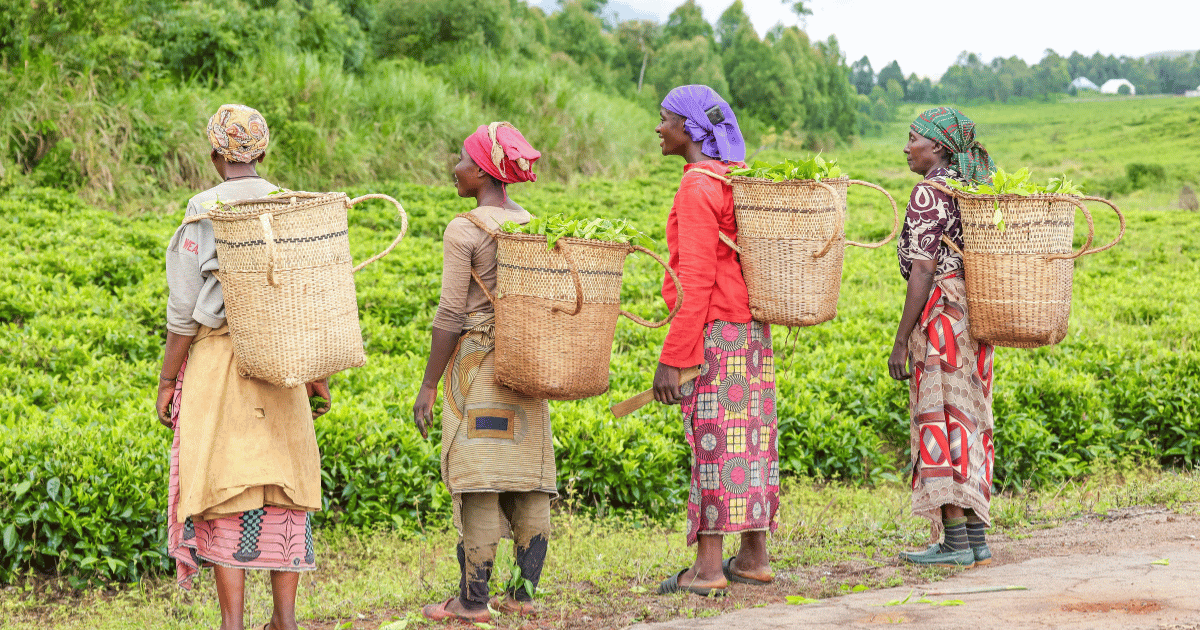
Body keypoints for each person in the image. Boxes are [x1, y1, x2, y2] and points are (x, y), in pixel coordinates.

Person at [156, 103, 331, 630]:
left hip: (220, 363)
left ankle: (232, 624)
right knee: (284, 487)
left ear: (215, 156)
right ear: (264, 152)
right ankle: (284, 620)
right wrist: (317, 373)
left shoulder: (202, 209)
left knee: (224, 487)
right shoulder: (289, 205)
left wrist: (167, 380)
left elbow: (183, 312)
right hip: (284, 362)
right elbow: (308, 296)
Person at [412, 122, 556, 623]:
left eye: (460, 160)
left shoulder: (466, 228)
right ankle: (522, 594)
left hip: (479, 371)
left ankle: (473, 601)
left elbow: (451, 314)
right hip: (529, 367)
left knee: (479, 479)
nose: (454, 168)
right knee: (530, 479)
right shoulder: (532, 222)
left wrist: (429, 385)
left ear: (480, 172)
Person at [651, 85, 778, 596]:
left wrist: (674, 357)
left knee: (712, 444)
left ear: (688, 128)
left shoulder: (696, 188)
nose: (658, 129)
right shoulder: (733, 181)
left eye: (664, 119)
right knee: (751, 444)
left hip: (716, 337)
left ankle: (706, 570)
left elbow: (696, 280)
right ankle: (753, 556)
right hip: (751, 336)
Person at [889, 106, 997, 568]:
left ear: (936, 147)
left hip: (942, 319)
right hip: (974, 316)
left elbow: (924, 270)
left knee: (941, 416)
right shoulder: (968, 187)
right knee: (968, 418)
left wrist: (900, 338)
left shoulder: (930, 193)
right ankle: (975, 538)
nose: (907, 147)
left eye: (913, 138)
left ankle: (954, 541)